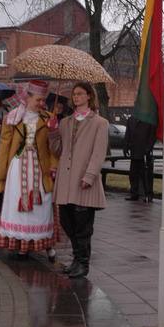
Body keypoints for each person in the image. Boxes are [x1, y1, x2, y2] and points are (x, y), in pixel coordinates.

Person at [48, 81, 109, 278]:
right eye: (74, 94)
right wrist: (52, 132)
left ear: (89, 96)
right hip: (66, 182)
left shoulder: (100, 123)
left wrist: (90, 176)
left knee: (83, 226)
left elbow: (99, 153)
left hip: (84, 182)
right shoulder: (66, 122)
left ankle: (83, 263)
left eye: (80, 94)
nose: (76, 97)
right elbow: (58, 150)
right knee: (67, 222)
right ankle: (76, 260)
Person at [0, 80, 58, 260]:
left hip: (40, 168)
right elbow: (4, 146)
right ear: (28, 97)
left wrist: (54, 164)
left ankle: (47, 245)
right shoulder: (13, 118)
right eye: (38, 99)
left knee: (42, 206)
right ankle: (22, 245)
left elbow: (53, 147)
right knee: (17, 203)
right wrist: (1, 173)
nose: (41, 103)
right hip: (17, 168)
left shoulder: (48, 118)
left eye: (43, 100)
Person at [123, 115, 156, 202]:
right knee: (133, 174)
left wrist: (148, 148)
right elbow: (128, 133)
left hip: (145, 152)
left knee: (146, 175)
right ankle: (134, 193)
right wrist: (125, 146)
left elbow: (152, 135)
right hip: (134, 150)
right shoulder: (131, 119)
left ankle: (148, 195)